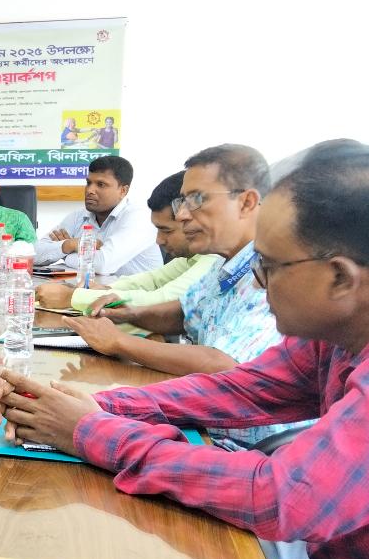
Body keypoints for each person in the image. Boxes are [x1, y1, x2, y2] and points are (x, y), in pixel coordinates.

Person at [0, 139, 369, 559]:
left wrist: (91, 432)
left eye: (268, 266)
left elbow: (281, 496)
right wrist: (96, 405)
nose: (256, 281)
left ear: (341, 278)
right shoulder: (332, 334)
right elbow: (242, 390)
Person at [62, 147, 293, 432]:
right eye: (182, 201)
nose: (182, 215)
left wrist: (119, 342)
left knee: (76, 423)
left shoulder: (271, 269)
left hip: (238, 441)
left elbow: (223, 364)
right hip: (204, 415)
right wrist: (128, 314)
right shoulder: (224, 262)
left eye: (196, 199)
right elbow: (185, 312)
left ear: (246, 202)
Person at [35, 171, 220, 311]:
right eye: (88, 183)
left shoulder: (217, 256)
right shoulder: (196, 255)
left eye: (166, 231)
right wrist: (105, 288)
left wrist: (72, 297)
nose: (158, 240)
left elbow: (164, 298)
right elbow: (153, 280)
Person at [34, 155, 162, 276]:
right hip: (96, 288)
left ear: (123, 191)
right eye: (88, 183)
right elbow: (34, 255)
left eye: (101, 184)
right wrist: (69, 245)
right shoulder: (78, 217)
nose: (90, 190)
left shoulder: (139, 218)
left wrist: (66, 254)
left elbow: (103, 265)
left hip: (138, 291)